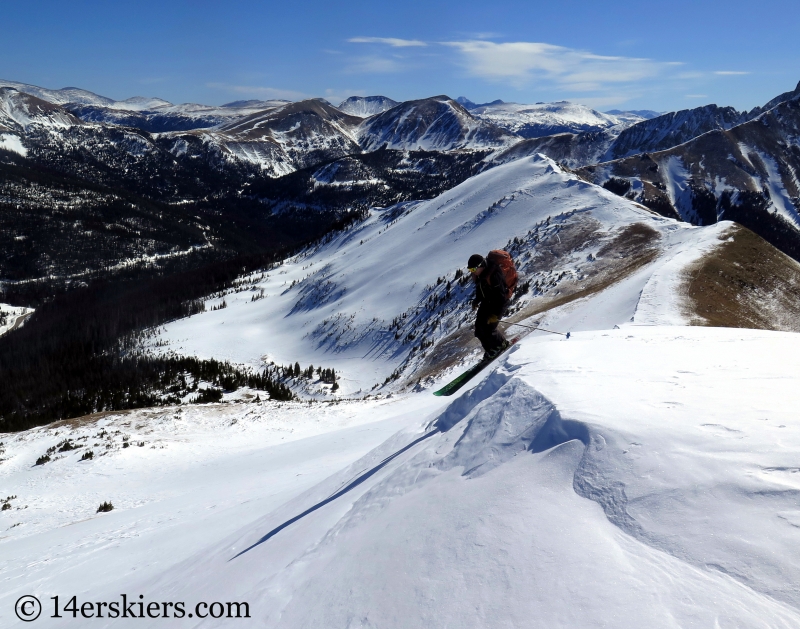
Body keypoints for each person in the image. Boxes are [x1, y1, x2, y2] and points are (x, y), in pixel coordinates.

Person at [468, 253, 512, 362]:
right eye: (470, 269)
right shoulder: (480, 275)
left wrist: (495, 314)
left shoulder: (494, 274)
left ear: (481, 265)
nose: (472, 271)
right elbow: (481, 289)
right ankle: (490, 350)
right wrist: (477, 300)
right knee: (479, 328)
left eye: (473, 269)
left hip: (497, 304)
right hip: (487, 302)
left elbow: (501, 297)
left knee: (488, 328)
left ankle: (501, 345)